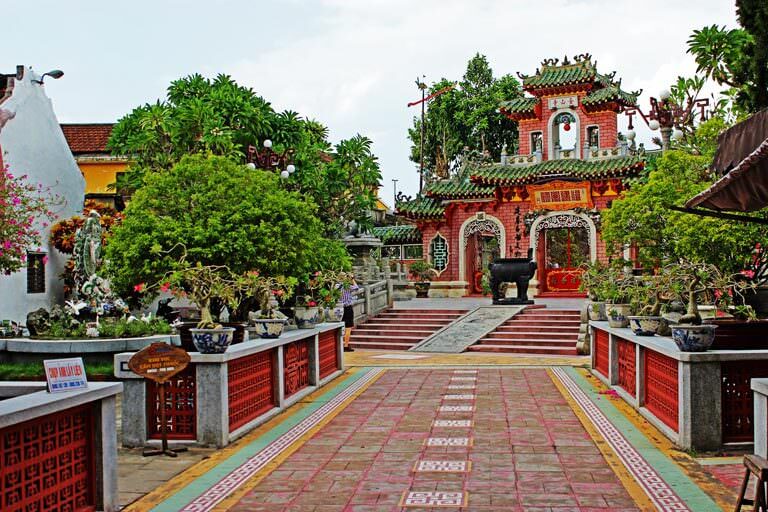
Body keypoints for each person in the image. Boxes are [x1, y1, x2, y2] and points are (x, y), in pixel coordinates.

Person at [341, 278, 359, 352]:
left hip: (339, 308)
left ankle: (340, 344)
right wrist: (352, 279)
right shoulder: (347, 286)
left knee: (340, 328)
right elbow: (356, 288)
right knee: (348, 327)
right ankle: (346, 345)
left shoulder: (336, 286)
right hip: (347, 308)